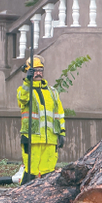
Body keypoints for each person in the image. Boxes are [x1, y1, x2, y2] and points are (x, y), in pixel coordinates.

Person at [17, 55, 66, 185]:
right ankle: (23, 199)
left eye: (40, 70)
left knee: (48, 174)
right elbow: (23, 99)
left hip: (50, 140)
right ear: (28, 71)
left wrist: (62, 133)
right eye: (34, 70)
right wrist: (27, 81)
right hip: (32, 138)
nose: (38, 73)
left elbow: (59, 114)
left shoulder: (53, 92)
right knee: (31, 173)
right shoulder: (24, 90)